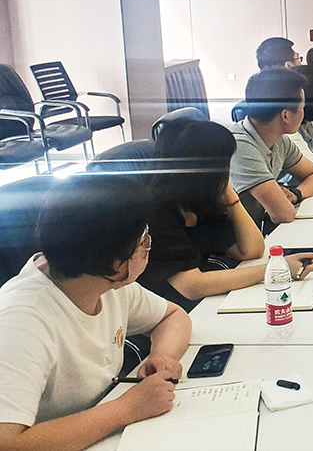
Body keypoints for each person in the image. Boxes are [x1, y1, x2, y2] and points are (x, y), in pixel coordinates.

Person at [0, 175, 192, 451]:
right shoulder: (22, 320)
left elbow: (172, 316)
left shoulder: (105, 282)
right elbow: (7, 443)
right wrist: (126, 409)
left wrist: (162, 356)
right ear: (117, 263)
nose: (148, 245)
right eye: (144, 239)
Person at [139, 120, 313, 312]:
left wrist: (231, 199)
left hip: (204, 300)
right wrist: (276, 269)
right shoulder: (155, 210)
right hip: (170, 310)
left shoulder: (199, 199)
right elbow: (192, 286)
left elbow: (250, 251)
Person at [229, 69, 313, 229]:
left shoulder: (278, 138)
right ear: (286, 115)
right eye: (302, 107)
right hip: (230, 238)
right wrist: (284, 203)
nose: (303, 113)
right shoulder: (240, 147)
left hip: (255, 228)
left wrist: (296, 194)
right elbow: (283, 214)